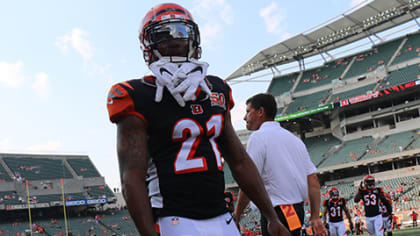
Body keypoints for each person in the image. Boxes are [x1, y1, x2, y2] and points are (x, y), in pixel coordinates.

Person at [106, 3, 290, 236]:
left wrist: (271, 216)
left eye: (182, 33)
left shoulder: (216, 90)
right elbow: (131, 176)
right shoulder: (137, 96)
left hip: (222, 218)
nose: (175, 40)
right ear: (148, 45)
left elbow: (239, 160)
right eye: (163, 34)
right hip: (173, 219)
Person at [233, 93, 328, 236]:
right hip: (295, 211)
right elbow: (313, 180)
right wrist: (315, 217)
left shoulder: (258, 137)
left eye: (248, 112)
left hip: (277, 213)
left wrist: (237, 215)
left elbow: (249, 181)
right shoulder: (295, 141)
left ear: (260, 112)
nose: (245, 117)